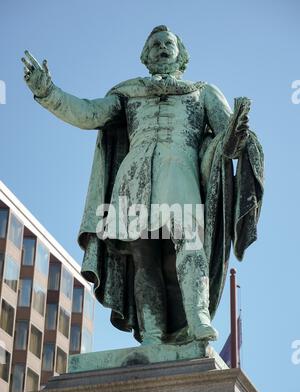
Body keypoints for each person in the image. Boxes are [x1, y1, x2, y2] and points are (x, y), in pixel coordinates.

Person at [22, 25, 264, 347]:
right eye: (155, 45)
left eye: (168, 43)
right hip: (133, 177)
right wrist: (48, 92)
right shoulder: (128, 92)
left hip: (180, 172)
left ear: (181, 55)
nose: (162, 48)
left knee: (189, 243)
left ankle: (198, 317)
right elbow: (89, 113)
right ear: (146, 57)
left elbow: (227, 144)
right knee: (143, 258)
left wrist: (237, 131)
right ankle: (151, 334)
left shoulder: (203, 92)